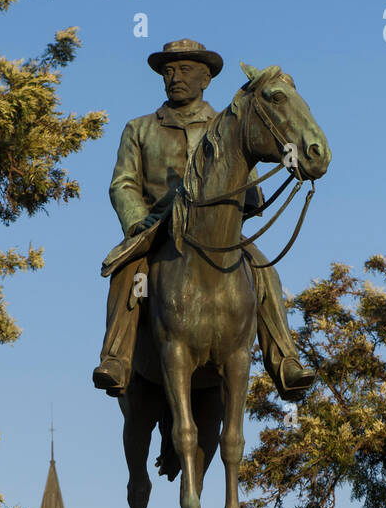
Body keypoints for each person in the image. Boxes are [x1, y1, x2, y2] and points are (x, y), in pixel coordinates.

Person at [93, 37, 314, 401]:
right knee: (127, 273)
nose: (174, 77)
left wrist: (252, 195)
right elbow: (123, 185)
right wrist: (138, 223)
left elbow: (249, 183)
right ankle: (116, 357)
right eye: (168, 70)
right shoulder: (139, 128)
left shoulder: (226, 124)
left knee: (264, 271)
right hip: (159, 229)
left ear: (206, 78)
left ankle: (285, 359)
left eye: (184, 69)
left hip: (217, 234)